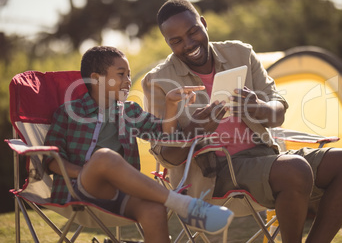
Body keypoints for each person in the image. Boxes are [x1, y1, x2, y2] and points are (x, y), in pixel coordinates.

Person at [141, 0, 342, 243]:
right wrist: (194, 129)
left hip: (266, 158)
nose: (188, 44)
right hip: (214, 174)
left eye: (193, 31)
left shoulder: (240, 53)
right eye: (176, 41)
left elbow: (278, 111)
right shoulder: (158, 81)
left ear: (203, 24)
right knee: (295, 169)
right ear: (168, 43)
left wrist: (257, 107)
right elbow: (165, 156)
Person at [43, 46, 234, 242]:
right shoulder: (69, 112)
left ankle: (183, 205)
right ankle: (184, 205)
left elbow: (165, 135)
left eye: (129, 74)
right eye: (121, 74)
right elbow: (50, 160)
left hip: (119, 193)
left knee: (154, 210)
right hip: (78, 190)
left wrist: (170, 104)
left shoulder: (129, 111)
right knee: (104, 158)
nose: (127, 80)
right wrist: (86, 171)